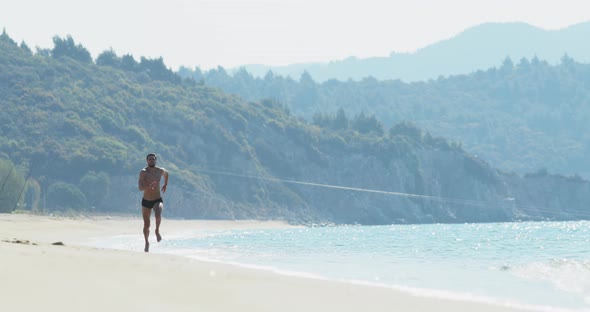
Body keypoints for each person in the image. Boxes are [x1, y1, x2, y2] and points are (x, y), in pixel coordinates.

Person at [138, 153, 169, 252]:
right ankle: (146, 242)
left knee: (158, 215)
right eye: (150, 159)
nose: (151, 161)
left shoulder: (160, 171)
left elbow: (166, 174)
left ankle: (157, 231)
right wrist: (148, 187)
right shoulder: (143, 172)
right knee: (146, 225)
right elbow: (140, 187)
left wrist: (165, 184)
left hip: (157, 199)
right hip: (146, 201)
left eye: (153, 159)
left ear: (156, 160)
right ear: (147, 161)